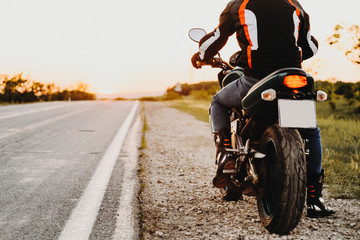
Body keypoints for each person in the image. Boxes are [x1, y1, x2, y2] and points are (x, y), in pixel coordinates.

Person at [191, 0, 334, 217]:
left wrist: (201, 56)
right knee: (311, 130)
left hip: (255, 79)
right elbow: (310, 46)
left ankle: (227, 154)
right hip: (292, 76)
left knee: (218, 102)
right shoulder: (294, 5)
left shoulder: (238, 5)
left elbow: (216, 38)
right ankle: (314, 199)